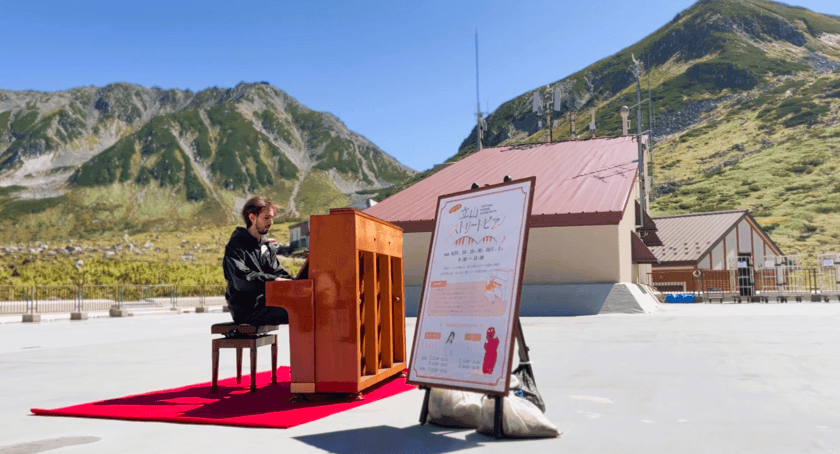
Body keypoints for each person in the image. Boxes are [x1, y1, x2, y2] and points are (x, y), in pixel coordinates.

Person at [223, 196, 292, 326]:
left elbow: (278, 272)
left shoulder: (267, 247)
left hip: (266, 304)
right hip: (247, 310)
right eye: (266, 218)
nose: (271, 222)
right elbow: (241, 279)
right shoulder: (235, 245)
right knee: (298, 311)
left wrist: (297, 282)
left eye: (272, 218)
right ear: (252, 218)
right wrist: (273, 280)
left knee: (306, 306)